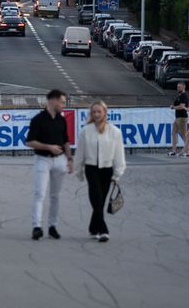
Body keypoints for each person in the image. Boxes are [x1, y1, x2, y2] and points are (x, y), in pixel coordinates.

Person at [75, 101, 126, 242]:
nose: (96, 114)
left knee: (100, 201)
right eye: (94, 112)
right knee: (96, 198)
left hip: (107, 169)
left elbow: (119, 154)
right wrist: (78, 170)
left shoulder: (115, 131)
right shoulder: (85, 131)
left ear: (105, 113)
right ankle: (103, 230)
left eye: (99, 111)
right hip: (91, 168)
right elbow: (80, 153)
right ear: (91, 114)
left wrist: (118, 173)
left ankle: (93, 228)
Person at [26, 89, 72, 240]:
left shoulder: (61, 119)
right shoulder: (38, 119)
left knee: (55, 195)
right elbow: (30, 142)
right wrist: (48, 147)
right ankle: (36, 226)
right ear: (53, 100)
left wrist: (69, 159)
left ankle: (53, 226)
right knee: (40, 193)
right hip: (43, 159)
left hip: (60, 160)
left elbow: (66, 140)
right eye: (62, 102)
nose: (63, 105)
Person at [169, 82, 189, 156]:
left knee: (184, 135)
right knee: (174, 133)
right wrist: (173, 105)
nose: (178, 88)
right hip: (177, 117)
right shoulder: (179, 96)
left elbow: (182, 106)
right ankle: (174, 150)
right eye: (178, 87)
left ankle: (188, 152)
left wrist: (173, 107)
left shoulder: (183, 96)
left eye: (180, 87)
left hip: (182, 118)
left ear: (184, 87)